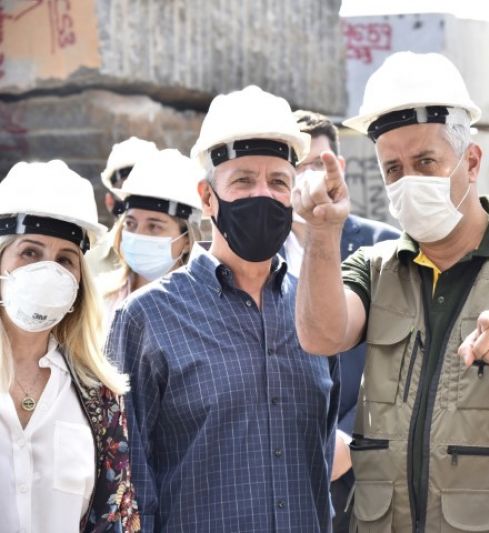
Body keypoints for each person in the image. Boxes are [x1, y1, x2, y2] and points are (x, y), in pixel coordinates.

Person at [294, 51, 489, 532]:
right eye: (393, 169)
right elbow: (321, 335)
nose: (409, 181)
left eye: (425, 162)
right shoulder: (375, 268)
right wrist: (321, 234)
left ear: (471, 161)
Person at [107, 85, 340, 533]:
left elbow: (322, 466)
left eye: (278, 182)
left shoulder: (315, 313)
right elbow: (128, 487)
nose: (262, 195)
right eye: (243, 181)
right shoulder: (147, 318)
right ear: (207, 197)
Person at [0, 160, 139, 532]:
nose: (50, 271)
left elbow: (115, 518)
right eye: (30, 252)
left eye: (65, 259)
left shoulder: (100, 396)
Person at [287, 110, 400, 532]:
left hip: (368, 461)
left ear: (340, 167)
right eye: (297, 166)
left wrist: (350, 435)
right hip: (288, 458)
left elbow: (398, 357)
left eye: (317, 165)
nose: (308, 178)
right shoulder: (259, 254)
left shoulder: (382, 246)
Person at [101, 148, 204, 312]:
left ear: (186, 241)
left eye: (154, 226)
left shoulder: (204, 307)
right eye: (131, 224)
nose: (138, 235)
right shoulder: (100, 299)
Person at [87, 137, 159, 276]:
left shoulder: (178, 256)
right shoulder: (88, 262)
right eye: (125, 188)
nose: (135, 197)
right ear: (109, 201)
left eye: (145, 186)